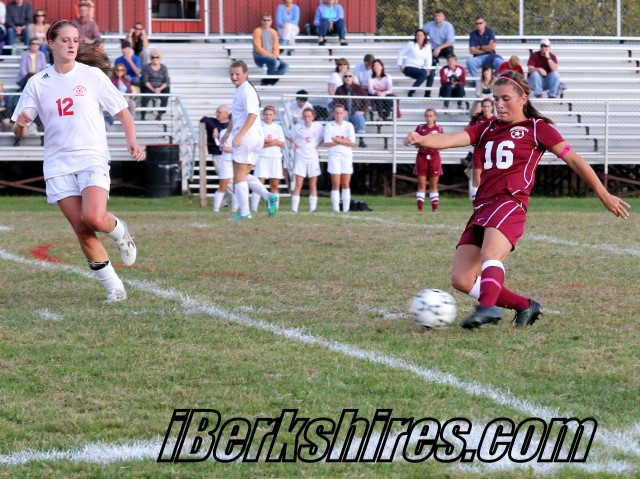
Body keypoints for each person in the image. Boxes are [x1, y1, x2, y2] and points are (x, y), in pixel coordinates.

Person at [404, 70, 630, 329]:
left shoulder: (537, 128)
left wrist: (604, 194)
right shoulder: (487, 128)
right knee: (462, 280)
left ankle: (487, 308)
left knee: (490, 253)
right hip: (483, 206)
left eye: (506, 99)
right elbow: (448, 139)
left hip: (510, 203)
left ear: (523, 99)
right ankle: (525, 306)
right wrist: (422, 139)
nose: (499, 105)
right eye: (495, 99)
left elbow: (574, 160)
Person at [12, 20, 146, 302]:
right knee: (82, 228)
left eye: (75, 40)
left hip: (91, 156)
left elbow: (123, 112)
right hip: (57, 164)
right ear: (51, 44)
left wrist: (132, 140)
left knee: (94, 218)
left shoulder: (92, 76)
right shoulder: (37, 82)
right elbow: (19, 129)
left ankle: (120, 232)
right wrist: (21, 124)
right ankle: (115, 289)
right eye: (65, 40)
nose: (72, 45)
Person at [220, 60, 278, 220]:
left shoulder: (246, 90)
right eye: (232, 74)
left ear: (246, 74)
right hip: (255, 137)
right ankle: (268, 196)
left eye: (237, 74)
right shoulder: (242, 89)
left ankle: (245, 212)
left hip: (248, 136)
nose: (234, 77)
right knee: (243, 175)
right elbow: (237, 116)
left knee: (238, 176)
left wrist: (239, 135)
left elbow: (252, 114)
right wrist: (228, 132)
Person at [287, 107, 324, 213]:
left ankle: (312, 208)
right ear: (302, 117)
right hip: (301, 156)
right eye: (305, 116)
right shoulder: (298, 127)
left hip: (313, 156)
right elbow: (288, 135)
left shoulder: (318, 127)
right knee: (299, 184)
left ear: (313, 117)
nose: (307, 118)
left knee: (313, 184)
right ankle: (294, 209)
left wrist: (318, 144)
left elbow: (324, 137)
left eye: (309, 116)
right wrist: (295, 143)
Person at [252, 106, 285, 212]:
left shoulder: (278, 127)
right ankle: (254, 208)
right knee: (259, 184)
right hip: (262, 157)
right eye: (266, 114)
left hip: (275, 157)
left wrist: (271, 142)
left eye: (270, 114)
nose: (268, 116)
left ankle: (274, 208)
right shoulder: (259, 126)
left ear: (273, 116)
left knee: (274, 185)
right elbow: (258, 144)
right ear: (263, 115)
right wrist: (273, 142)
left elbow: (282, 143)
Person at [200, 105, 232, 212]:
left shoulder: (230, 126)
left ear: (226, 115)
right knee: (226, 180)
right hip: (218, 155)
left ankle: (225, 201)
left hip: (231, 155)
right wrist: (214, 128)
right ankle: (239, 198)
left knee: (230, 180)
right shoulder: (213, 122)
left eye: (219, 112)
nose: (217, 114)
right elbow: (203, 119)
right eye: (217, 112)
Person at [324, 104, 355, 212]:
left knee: (346, 183)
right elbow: (328, 143)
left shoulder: (349, 126)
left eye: (341, 113)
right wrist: (344, 141)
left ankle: (346, 209)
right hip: (334, 156)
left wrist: (337, 140)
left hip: (346, 156)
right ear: (333, 113)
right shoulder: (329, 126)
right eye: (336, 113)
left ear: (344, 113)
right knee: (336, 183)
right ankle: (336, 209)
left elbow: (351, 143)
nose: (338, 115)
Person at [412, 108, 443, 212]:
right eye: (427, 116)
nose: (429, 118)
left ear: (435, 117)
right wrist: (421, 143)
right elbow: (415, 143)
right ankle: (420, 209)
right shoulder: (420, 128)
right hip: (422, 156)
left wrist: (432, 144)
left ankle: (435, 209)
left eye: (431, 116)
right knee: (421, 184)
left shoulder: (439, 129)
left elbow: (442, 144)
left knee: (433, 185)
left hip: (434, 157)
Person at [467, 98, 498, 199]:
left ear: (492, 107)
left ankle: (489, 202)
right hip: (479, 152)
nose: (486, 108)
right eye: (484, 106)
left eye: (488, 106)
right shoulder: (477, 120)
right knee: (477, 180)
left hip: (492, 153)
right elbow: (467, 132)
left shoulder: (497, 120)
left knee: (491, 179)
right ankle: (476, 205)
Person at [423, 9, 455, 98]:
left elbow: (450, 42)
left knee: (450, 53)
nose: (437, 18)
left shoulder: (448, 26)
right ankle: (427, 94)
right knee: (430, 68)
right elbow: (420, 34)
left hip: (444, 48)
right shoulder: (429, 25)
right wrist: (427, 44)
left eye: (439, 16)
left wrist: (439, 48)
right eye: (436, 16)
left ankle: (452, 77)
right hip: (433, 48)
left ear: (443, 17)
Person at [334, 69, 368, 147]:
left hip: (356, 112)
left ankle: (361, 140)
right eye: (345, 76)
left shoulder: (358, 88)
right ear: (343, 78)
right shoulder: (339, 89)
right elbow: (336, 102)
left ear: (353, 78)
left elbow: (366, 100)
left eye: (350, 76)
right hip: (344, 112)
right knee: (342, 117)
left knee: (359, 117)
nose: (348, 78)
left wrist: (362, 111)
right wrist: (342, 110)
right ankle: (344, 140)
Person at [252, 12, 288, 86]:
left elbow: (276, 47)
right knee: (275, 62)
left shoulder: (274, 32)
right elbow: (258, 48)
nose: (266, 22)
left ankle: (268, 80)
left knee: (285, 65)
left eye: (268, 20)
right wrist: (271, 56)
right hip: (260, 57)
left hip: (272, 57)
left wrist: (275, 55)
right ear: (261, 21)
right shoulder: (257, 31)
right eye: (264, 20)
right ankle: (268, 80)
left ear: (271, 21)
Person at [397, 29, 432, 98]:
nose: (419, 37)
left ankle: (427, 94)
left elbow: (429, 58)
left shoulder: (427, 47)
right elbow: (401, 53)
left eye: (421, 35)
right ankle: (411, 91)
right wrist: (400, 65)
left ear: (424, 37)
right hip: (410, 67)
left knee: (431, 74)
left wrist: (428, 68)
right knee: (423, 75)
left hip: (420, 68)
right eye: (417, 35)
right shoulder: (411, 44)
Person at [466, 15, 502, 80]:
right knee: (469, 61)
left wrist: (479, 47)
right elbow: (472, 51)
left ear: (485, 23)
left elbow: (492, 47)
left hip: (491, 56)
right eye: (477, 23)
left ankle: (495, 82)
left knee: (499, 62)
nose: (479, 25)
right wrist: (486, 49)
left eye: (480, 23)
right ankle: (477, 82)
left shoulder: (490, 32)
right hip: (478, 58)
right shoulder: (473, 34)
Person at [140, 49, 170, 120]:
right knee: (145, 95)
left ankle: (160, 114)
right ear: (150, 58)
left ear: (160, 58)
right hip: (149, 87)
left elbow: (166, 81)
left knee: (166, 92)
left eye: (157, 57)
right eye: (153, 57)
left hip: (160, 87)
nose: (155, 59)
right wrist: (153, 89)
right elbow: (145, 81)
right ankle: (143, 115)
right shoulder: (146, 67)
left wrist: (159, 89)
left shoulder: (164, 67)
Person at [216, 126, 238, 213]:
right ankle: (216, 209)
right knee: (223, 185)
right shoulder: (224, 132)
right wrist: (235, 149)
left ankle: (234, 210)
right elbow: (224, 148)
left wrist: (232, 149)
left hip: (238, 161)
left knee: (237, 186)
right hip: (227, 161)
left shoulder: (241, 131)